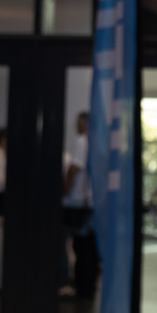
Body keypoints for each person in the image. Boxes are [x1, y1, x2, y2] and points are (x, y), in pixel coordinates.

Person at [62, 111, 99, 300]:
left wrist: (65, 191)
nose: (76, 127)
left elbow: (73, 169)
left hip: (79, 202)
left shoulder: (83, 140)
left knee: (80, 246)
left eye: (78, 123)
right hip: (92, 202)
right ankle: (88, 287)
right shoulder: (99, 141)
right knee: (89, 247)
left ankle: (80, 287)